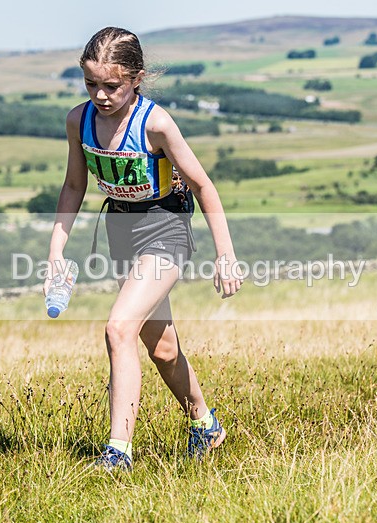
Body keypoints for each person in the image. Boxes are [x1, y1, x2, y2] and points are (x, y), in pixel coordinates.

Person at [45, 26, 243, 471]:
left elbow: (203, 185)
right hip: (121, 229)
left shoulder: (155, 123)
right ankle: (206, 426)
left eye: (111, 85)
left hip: (166, 227)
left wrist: (225, 254)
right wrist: (56, 251)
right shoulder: (79, 121)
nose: (100, 95)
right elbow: (74, 184)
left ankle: (119, 452)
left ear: (136, 78)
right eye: (91, 84)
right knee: (163, 348)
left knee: (118, 329)